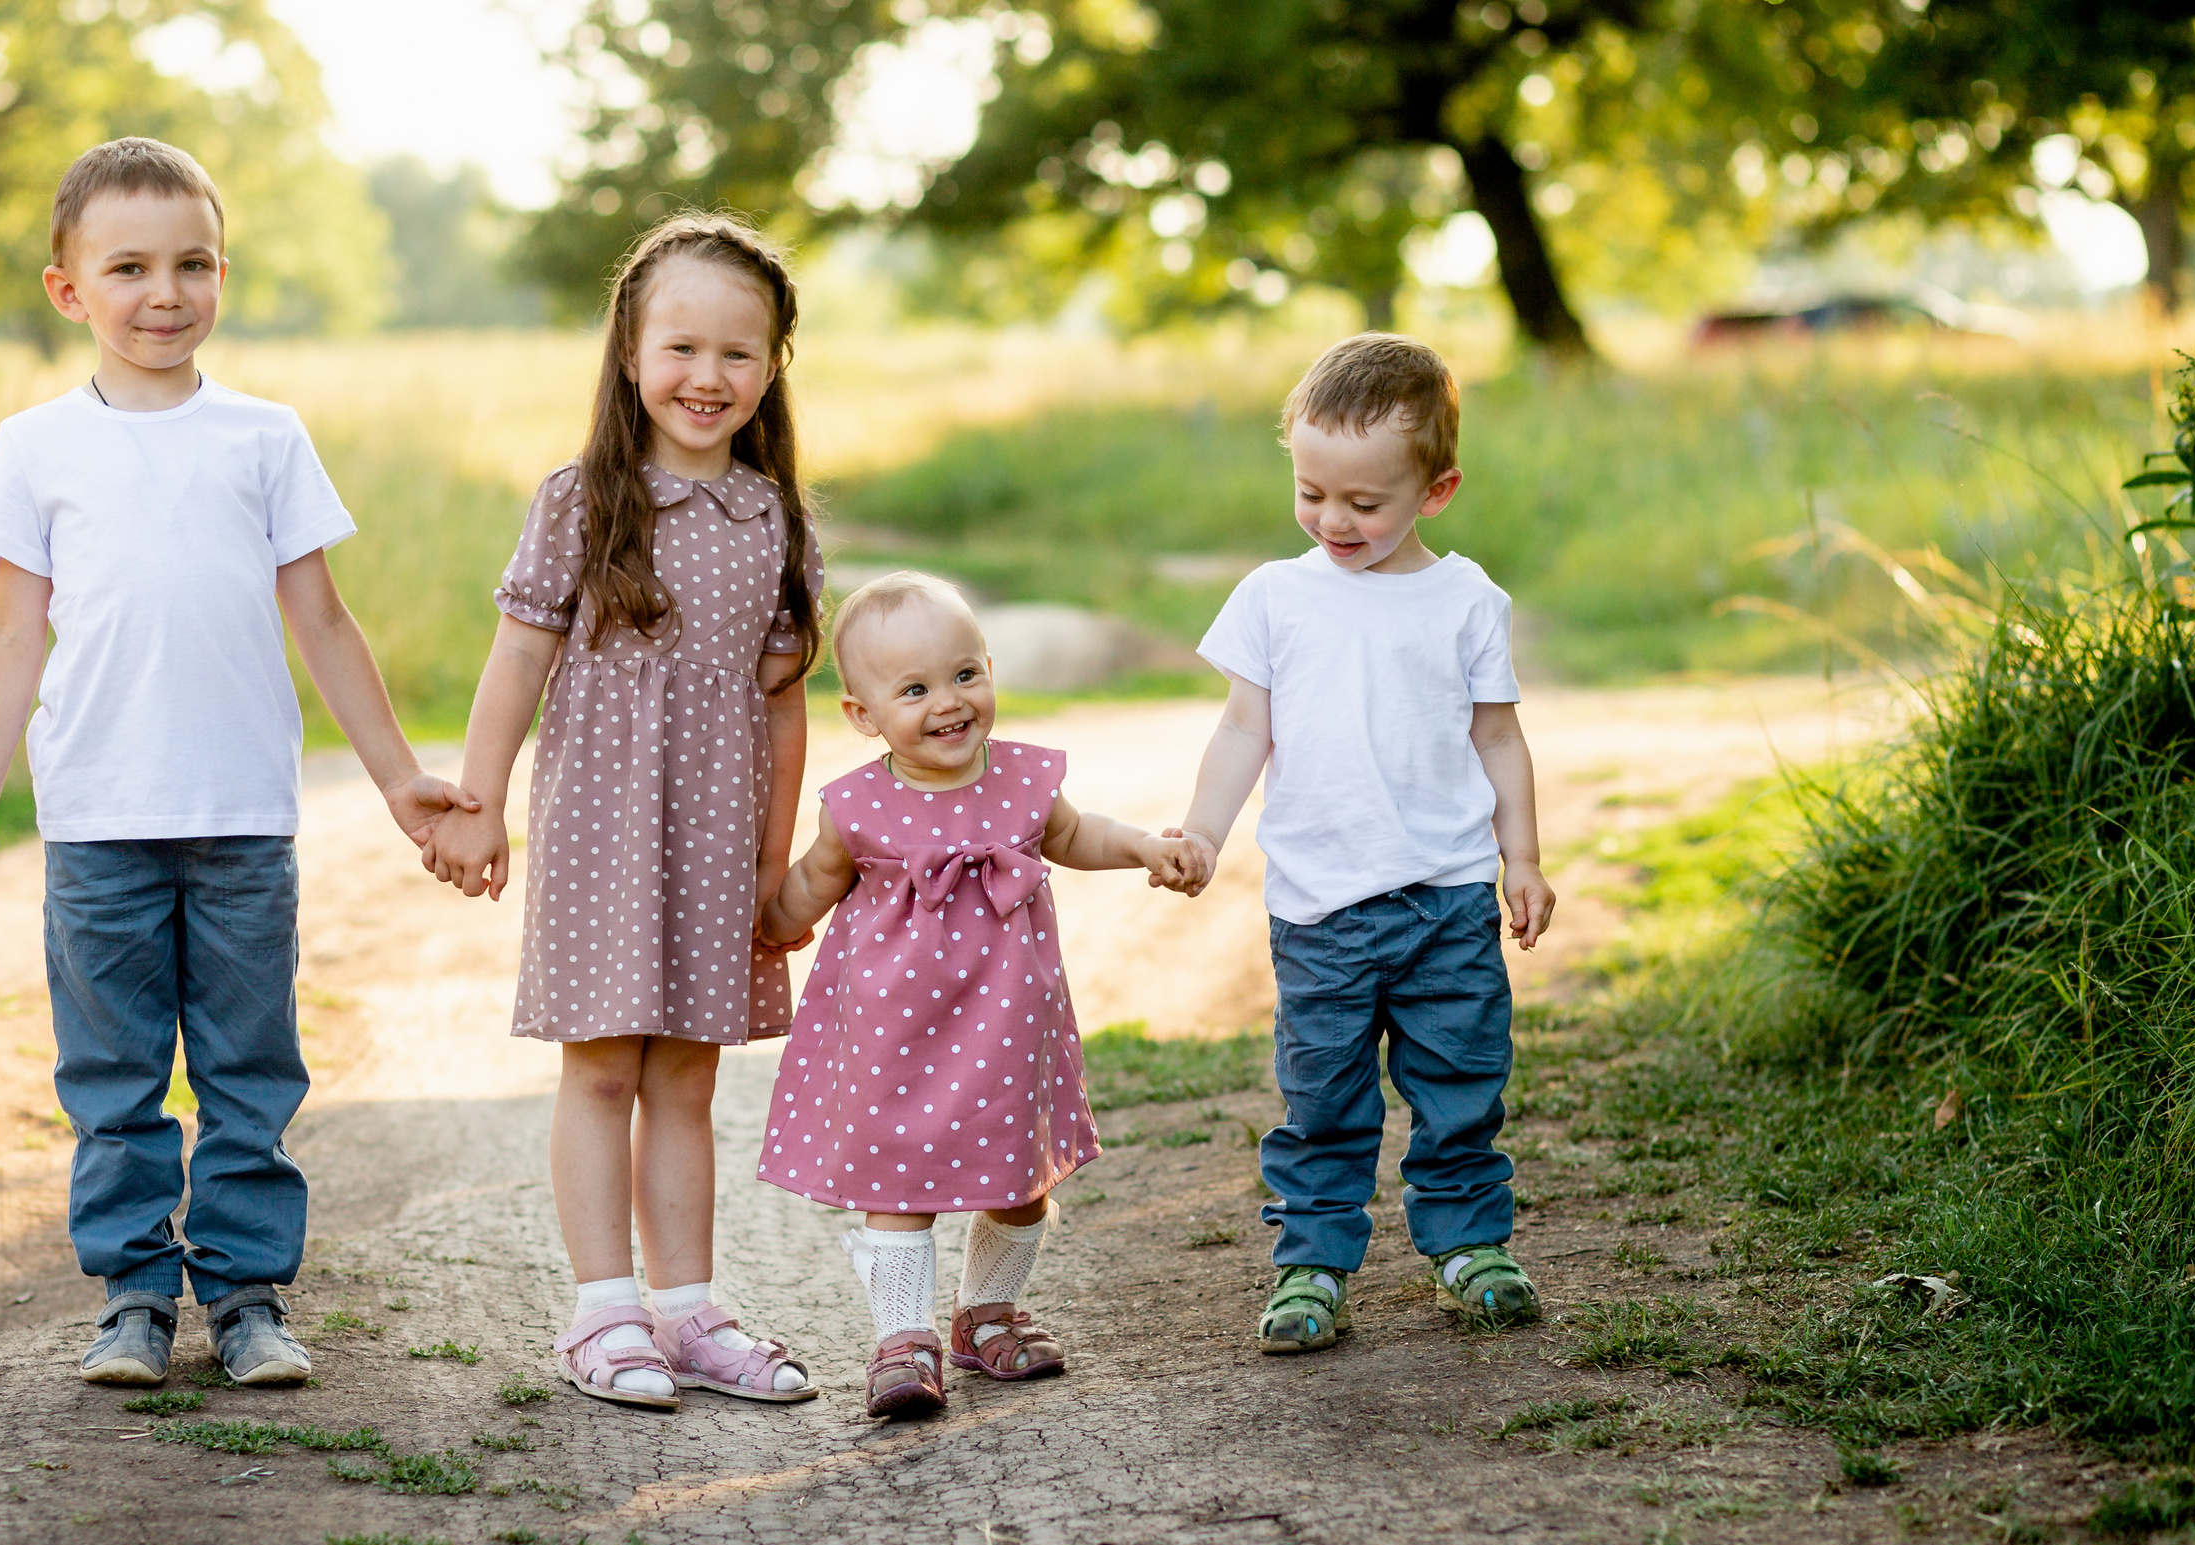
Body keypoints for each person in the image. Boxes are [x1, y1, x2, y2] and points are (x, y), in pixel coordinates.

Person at [0, 137, 474, 1388]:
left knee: (247, 1068)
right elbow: (11, 634)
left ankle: (248, 1297)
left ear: (223, 274)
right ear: (69, 291)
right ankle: (131, 1299)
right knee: (113, 1077)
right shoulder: (37, 445)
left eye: (193, 264)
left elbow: (323, 618)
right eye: (128, 268)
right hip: (97, 820)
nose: (164, 293)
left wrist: (397, 779)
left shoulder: (264, 437)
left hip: (241, 820)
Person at [424, 216, 825, 1412]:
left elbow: (786, 709)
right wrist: (477, 803)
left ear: (771, 368)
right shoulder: (582, 502)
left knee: (688, 1082)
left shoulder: (777, 522)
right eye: (682, 348)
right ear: (631, 351)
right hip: (604, 829)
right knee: (601, 1072)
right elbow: (514, 659)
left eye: (738, 355)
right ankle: (605, 1312)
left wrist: (775, 868)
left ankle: (690, 1308)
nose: (708, 378)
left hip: (713, 839)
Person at [1170, 333, 1558, 1356]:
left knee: (1461, 1085)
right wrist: (1203, 833)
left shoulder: (1467, 602)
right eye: (1310, 493)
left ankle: (1470, 1246)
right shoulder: (1273, 598)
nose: (1333, 520)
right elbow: (1242, 730)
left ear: (1436, 490)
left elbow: (1497, 738)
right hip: (1320, 908)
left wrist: (1520, 856)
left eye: (1362, 503)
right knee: (1323, 1095)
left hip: (1447, 898)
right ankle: (1311, 1261)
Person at [756, 572, 1207, 1417]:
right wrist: (763, 923)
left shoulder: (1024, 782)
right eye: (915, 689)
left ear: (990, 668)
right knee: (900, 1183)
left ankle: (986, 1312)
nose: (949, 703)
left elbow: (1077, 834)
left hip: (1006, 1026)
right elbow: (811, 884)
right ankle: (902, 1337)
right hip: (894, 1033)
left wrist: (1146, 844)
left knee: (1018, 1176)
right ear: (863, 715)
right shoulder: (857, 807)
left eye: (966, 675)